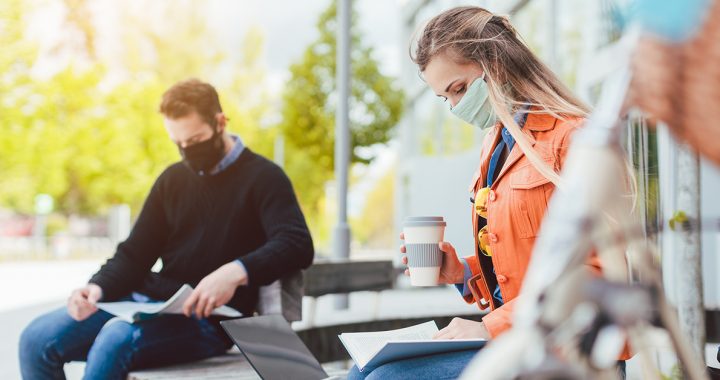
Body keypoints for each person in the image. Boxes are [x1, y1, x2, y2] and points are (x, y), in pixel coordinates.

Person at [348, 6, 629, 379]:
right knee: (363, 370)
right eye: (444, 97)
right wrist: (463, 271)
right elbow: (527, 262)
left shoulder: (574, 139)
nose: (456, 106)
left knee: (389, 377)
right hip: (516, 343)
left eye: (460, 88)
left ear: (495, 64)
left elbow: (598, 275)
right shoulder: (495, 144)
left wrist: (488, 327)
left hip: (565, 354)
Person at [18, 78, 314, 380]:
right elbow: (135, 253)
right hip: (150, 305)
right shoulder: (172, 180)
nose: (187, 151)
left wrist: (234, 272)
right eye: (179, 143)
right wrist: (96, 288)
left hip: (208, 321)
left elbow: (296, 242)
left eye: (195, 140)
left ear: (221, 122)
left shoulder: (264, 178)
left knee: (116, 338)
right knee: (35, 341)